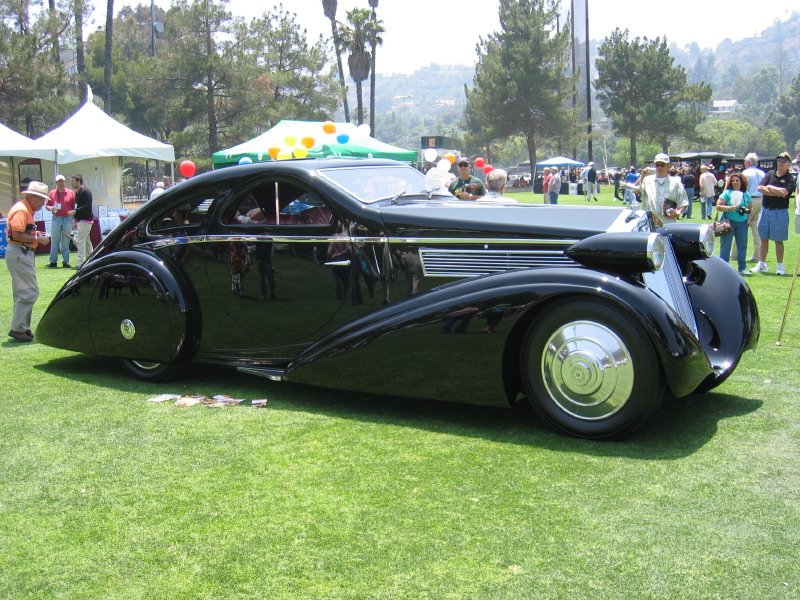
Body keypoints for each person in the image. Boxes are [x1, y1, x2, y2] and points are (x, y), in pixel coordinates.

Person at [5, 181, 50, 342]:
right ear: (31, 196)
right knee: (30, 292)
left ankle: (22, 328)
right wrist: (37, 238)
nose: (43, 204)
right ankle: (17, 328)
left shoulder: (25, 209)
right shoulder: (22, 210)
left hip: (20, 253)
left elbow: (21, 232)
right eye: (41, 200)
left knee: (22, 293)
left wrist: (36, 234)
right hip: (20, 252)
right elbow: (16, 235)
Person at [750, 152, 796, 275]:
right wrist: (776, 191)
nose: (780, 163)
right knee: (763, 238)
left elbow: (784, 193)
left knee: (778, 240)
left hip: (779, 212)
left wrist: (769, 187)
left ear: (788, 164)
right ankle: (761, 264)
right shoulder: (770, 174)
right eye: (779, 160)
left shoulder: (790, 178)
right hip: (765, 210)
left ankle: (780, 266)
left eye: (784, 161)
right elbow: (760, 188)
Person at [634, 153, 688, 224]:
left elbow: (683, 202)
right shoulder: (647, 180)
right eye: (657, 165)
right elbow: (636, 190)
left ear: (668, 166)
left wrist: (677, 213)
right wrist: (643, 175)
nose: (659, 167)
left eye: (662, 165)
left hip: (667, 223)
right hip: (649, 224)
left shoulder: (676, 183)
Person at [716, 172, 752, 274]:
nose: (735, 182)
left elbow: (750, 207)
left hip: (742, 222)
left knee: (742, 245)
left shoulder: (746, 194)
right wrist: (729, 208)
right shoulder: (727, 193)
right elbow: (718, 206)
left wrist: (749, 218)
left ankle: (742, 268)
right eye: (733, 181)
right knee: (726, 246)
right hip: (728, 222)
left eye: (737, 180)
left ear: (741, 182)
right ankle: (724, 268)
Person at [44, 174, 76, 268]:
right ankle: (53, 261)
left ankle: (66, 261)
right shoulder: (52, 193)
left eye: (62, 181)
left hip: (67, 218)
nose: (61, 183)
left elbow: (74, 207)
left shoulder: (70, 193)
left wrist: (74, 218)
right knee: (55, 240)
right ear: (56, 183)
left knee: (65, 240)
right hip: (56, 218)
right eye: (59, 181)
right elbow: (47, 205)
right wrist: (51, 208)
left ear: (65, 182)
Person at [741, 153, 765, 261]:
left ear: (749, 162)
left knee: (741, 226)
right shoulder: (762, 173)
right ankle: (758, 255)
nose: (744, 162)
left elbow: (743, 189)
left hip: (749, 200)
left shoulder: (745, 172)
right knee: (756, 229)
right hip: (760, 200)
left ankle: (736, 253)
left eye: (745, 160)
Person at [71, 174, 93, 268]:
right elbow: (78, 206)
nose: (71, 183)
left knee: (80, 241)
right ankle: (91, 260)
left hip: (86, 220)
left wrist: (75, 211)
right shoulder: (78, 192)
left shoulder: (85, 191)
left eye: (72, 181)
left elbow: (87, 206)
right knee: (87, 242)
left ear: (78, 181)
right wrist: (75, 220)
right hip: (81, 220)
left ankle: (80, 264)